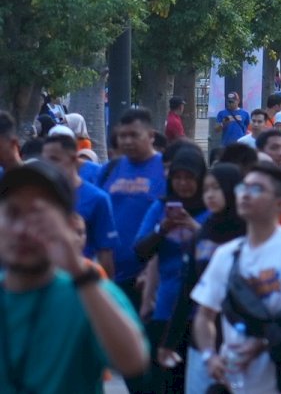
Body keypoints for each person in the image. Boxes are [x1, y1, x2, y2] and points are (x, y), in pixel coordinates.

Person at [0, 159, 151, 391]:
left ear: (68, 226)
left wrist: (80, 273)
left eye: (38, 216)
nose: (23, 230)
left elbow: (133, 362)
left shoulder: (90, 293)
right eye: (13, 214)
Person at [190, 163, 281, 393]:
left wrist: (267, 343)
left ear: (280, 203)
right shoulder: (227, 255)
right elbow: (204, 315)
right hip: (236, 382)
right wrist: (209, 356)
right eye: (243, 188)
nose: (245, 194)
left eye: (257, 189)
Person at [158, 163, 245, 394]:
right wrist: (169, 341)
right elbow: (188, 290)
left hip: (244, 341)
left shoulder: (250, 233)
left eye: (216, 188)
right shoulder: (202, 234)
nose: (210, 195)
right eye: (206, 189)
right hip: (204, 341)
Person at [133, 143, 210, 391]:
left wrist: (193, 227)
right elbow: (140, 251)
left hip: (205, 313)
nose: (183, 184)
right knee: (165, 383)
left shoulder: (212, 210)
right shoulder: (160, 207)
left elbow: (223, 253)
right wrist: (163, 229)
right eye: (177, 178)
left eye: (190, 178)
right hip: (166, 309)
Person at [102, 109, 168, 322]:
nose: (127, 141)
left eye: (134, 135)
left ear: (151, 136)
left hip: (147, 276)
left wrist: (152, 269)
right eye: (123, 136)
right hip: (110, 274)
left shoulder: (166, 169)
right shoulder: (109, 169)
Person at [41, 133, 118, 278]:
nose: (48, 166)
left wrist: (106, 291)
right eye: (45, 160)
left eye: (55, 159)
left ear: (73, 160)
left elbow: (105, 253)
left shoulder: (97, 199)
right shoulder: (39, 196)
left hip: (81, 281)